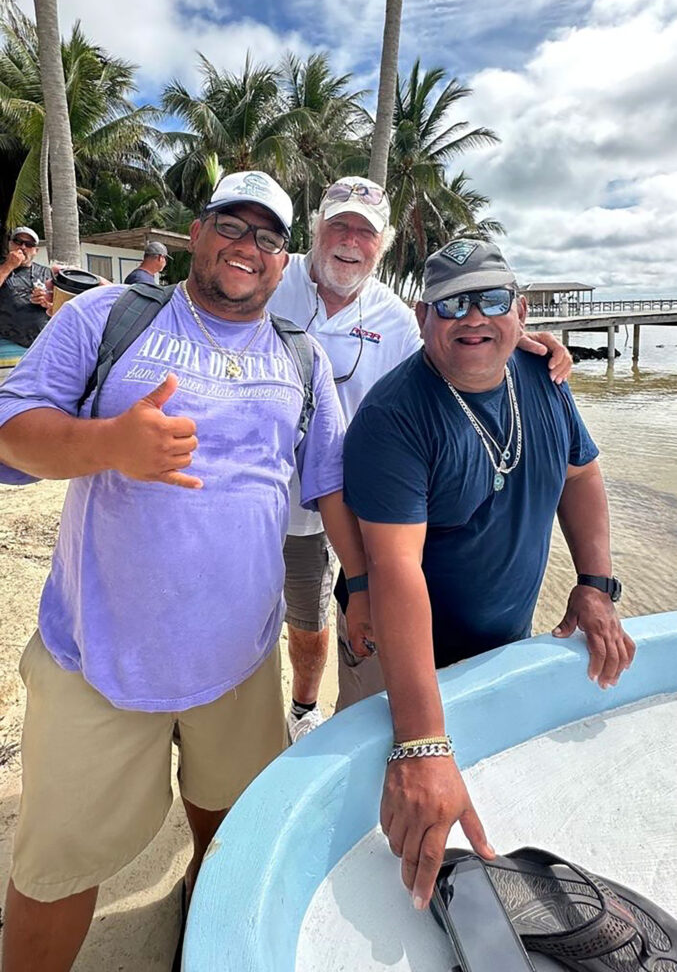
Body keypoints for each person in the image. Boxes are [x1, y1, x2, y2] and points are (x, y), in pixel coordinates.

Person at [0, 170, 370, 972]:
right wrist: (108, 447)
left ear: (285, 264)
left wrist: (364, 588)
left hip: (239, 663)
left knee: (233, 832)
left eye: (268, 237)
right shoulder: (108, 316)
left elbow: (331, 481)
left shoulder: (298, 356)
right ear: (195, 233)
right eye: (231, 227)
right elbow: (11, 430)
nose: (248, 247)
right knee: (56, 869)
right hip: (97, 659)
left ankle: (201, 940)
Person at [342, 238, 635, 910]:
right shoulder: (393, 418)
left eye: (491, 298)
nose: (471, 316)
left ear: (521, 311)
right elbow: (394, 572)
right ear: (423, 319)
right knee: (376, 817)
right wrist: (419, 740)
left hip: (503, 635)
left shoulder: (541, 377)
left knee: (491, 805)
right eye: (451, 304)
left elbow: (581, 472)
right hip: (399, 654)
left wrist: (595, 586)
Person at [269, 178, 573, 741]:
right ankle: (236, 717)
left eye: (364, 231)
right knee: (249, 620)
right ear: (317, 229)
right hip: (261, 495)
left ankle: (302, 708)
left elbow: (450, 364)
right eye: (339, 225)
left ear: (381, 244)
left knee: (314, 625)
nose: (349, 241)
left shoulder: (396, 319)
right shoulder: (271, 277)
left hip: (353, 503)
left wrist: (518, 344)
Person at [0, 227, 52, 347]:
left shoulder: (47, 273)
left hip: (41, 343)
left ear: (36, 251)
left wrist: (48, 302)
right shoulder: (3, 267)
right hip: (6, 342)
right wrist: (9, 265)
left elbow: (60, 308)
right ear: (10, 244)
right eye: (18, 242)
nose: (22, 247)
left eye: (29, 244)